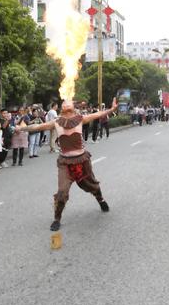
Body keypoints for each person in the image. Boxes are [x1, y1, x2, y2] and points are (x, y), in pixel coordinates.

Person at [24, 98, 118, 231]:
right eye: (64, 103)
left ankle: (101, 199)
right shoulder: (56, 122)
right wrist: (21, 129)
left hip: (82, 160)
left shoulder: (81, 119)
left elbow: (98, 114)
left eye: (68, 103)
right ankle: (57, 218)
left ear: (73, 107)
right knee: (62, 192)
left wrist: (112, 109)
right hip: (65, 163)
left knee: (91, 184)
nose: (66, 104)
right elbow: (38, 127)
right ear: (62, 108)